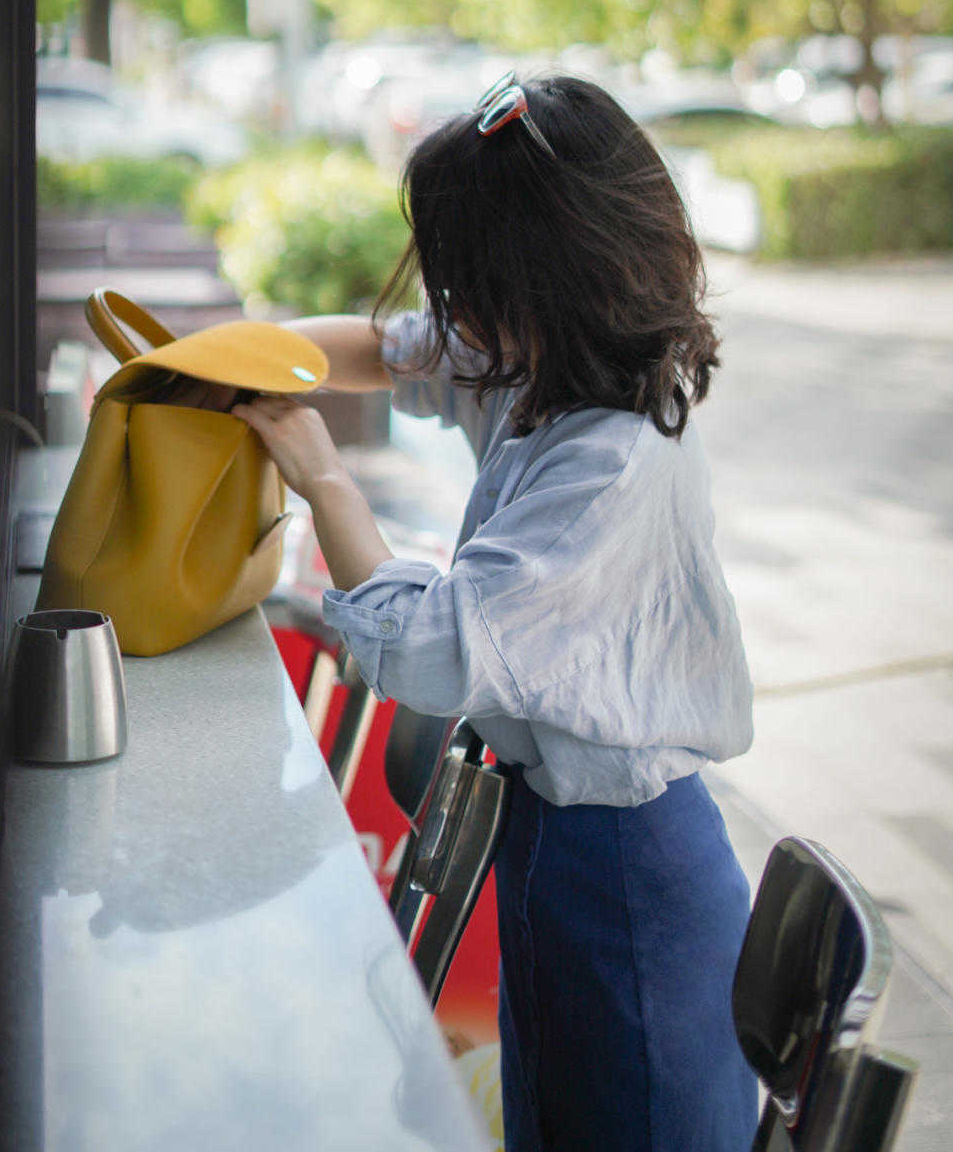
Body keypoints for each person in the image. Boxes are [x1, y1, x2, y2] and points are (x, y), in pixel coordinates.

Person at [229, 72, 759, 1152]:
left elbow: (432, 650)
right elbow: (392, 349)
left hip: (631, 882)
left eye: (472, 288)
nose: (452, 313)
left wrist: (326, 478)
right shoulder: (540, 362)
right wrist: (238, 357)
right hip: (557, 843)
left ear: (554, 282)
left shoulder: (612, 460)